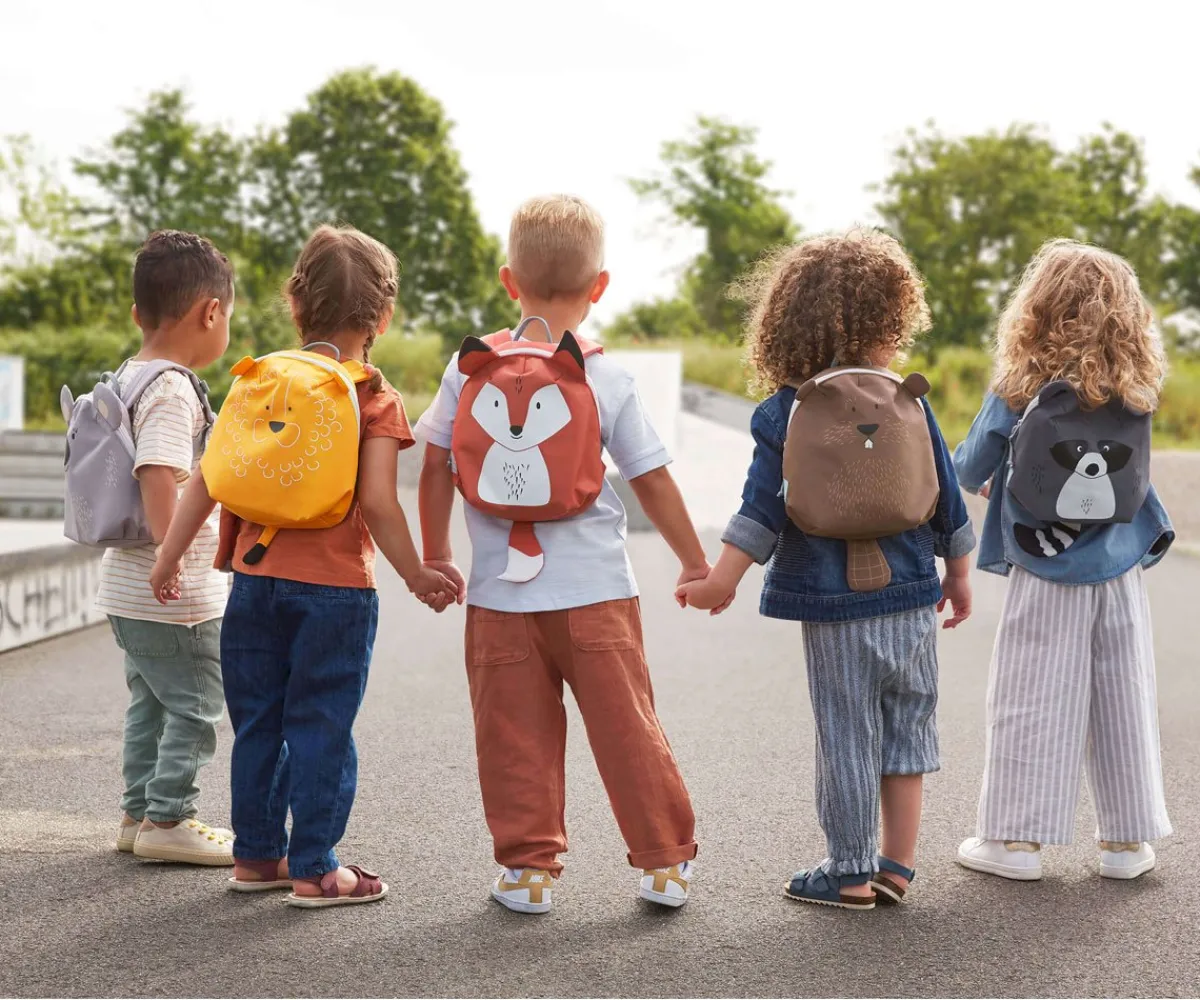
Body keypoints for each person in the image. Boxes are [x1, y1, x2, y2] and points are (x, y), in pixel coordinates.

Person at [151, 225, 455, 907]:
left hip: (252, 587)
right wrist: (417, 573)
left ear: (296, 305)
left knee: (258, 724)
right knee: (320, 726)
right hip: (336, 593)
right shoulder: (372, 394)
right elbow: (377, 502)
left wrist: (171, 555)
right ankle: (318, 867)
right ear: (383, 315)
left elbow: (208, 478)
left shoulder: (258, 382)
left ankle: (257, 857)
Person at [416, 194, 704, 913]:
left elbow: (432, 466)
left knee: (513, 735)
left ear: (509, 281)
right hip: (597, 591)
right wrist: (695, 563)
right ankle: (665, 863)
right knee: (626, 726)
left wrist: (436, 552)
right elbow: (652, 480)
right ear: (599, 287)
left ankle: (528, 871)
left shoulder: (467, 369)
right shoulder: (602, 377)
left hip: (499, 599)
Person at [677, 229, 975, 910]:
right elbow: (947, 501)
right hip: (911, 601)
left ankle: (847, 872)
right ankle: (897, 867)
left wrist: (721, 579)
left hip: (834, 609)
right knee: (907, 730)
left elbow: (762, 509)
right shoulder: (910, 400)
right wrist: (957, 577)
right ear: (893, 319)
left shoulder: (787, 410)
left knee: (848, 738)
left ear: (785, 322)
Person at [953, 239, 1174, 881]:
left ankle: (1016, 843)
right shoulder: (1135, 391)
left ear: (1036, 309)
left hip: (1044, 566)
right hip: (1119, 566)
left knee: (1031, 695)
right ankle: (1126, 844)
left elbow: (970, 467)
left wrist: (1007, 478)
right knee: (1124, 695)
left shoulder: (1022, 385)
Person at [95, 230, 236, 865]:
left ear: (137, 314)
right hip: (171, 592)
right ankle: (169, 818)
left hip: (123, 588)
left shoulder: (124, 376)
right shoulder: (174, 388)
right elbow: (157, 470)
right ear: (211, 312)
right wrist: (171, 555)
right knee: (199, 706)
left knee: (151, 702)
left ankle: (135, 814)